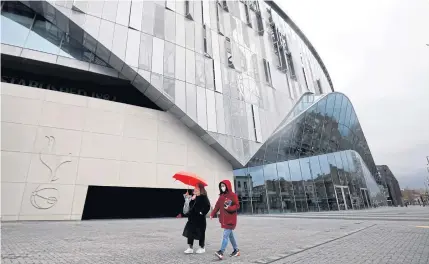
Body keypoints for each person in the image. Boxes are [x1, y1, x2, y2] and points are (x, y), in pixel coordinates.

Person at [210, 180, 240, 260]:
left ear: (228, 186)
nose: (222, 187)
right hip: (224, 220)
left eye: (223, 185)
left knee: (225, 235)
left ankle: (221, 252)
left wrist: (229, 208)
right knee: (230, 236)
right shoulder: (221, 196)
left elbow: (237, 205)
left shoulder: (233, 195)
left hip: (231, 220)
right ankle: (236, 250)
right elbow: (217, 206)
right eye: (221, 186)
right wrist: (212, 214)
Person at [182, 183, 211, 254]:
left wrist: (202, 213)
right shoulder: (193, 197)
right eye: (194, 188)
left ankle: (202, 247)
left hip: (200, 219)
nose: (194, 189)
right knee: (190, 232)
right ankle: (190, 248)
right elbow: (189, 207)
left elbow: (208, 206)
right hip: (192, 218)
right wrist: (189, 199)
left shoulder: (203, 197)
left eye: (196, 188)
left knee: (201, 233)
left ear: (200, 189)